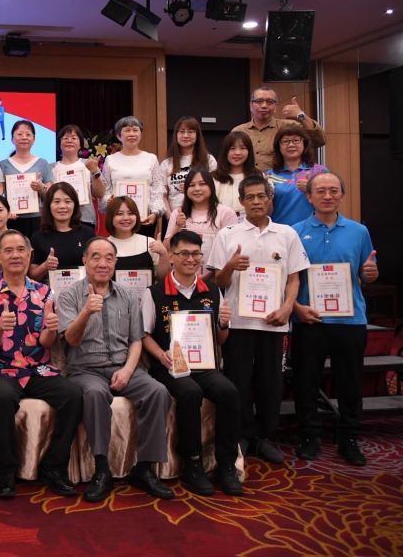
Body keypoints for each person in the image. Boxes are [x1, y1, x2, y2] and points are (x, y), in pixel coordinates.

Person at [57, 237, 173, 502]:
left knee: (158, 392)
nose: (103, 263)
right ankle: (102, 469)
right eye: (96, 257)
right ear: (85, 261)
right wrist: (86, 312)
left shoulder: (129, 296)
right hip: (85, 369)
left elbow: (136, 340)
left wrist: (128, 370)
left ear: (115, 263)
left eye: (109, 258)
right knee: (95, 394)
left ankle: (144, 468)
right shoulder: (68, 296)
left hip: (123, 366)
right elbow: (70, 340)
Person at [207, 174, 309, 464]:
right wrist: (230, 265)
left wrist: (288, 308)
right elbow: (218, 281)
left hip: (274, 322)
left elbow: (294, 278)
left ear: (270, 200)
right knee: (238, 380)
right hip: (238, 322)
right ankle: (242, 433)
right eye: (249, 197)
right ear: (241, 201)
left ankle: (264, 436)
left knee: (271, 382)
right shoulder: (228, 235)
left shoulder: (287, 234)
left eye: (261, 196)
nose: (256, 201)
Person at [0, 229, 81, 498]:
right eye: (8, 250)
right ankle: (4, 470)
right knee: (2, 397)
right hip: (0, 367)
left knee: (73, 395)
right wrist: (0, 327)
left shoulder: (44, 292)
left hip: (36, 368)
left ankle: (54, 466)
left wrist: (50, 329)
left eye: (21, 250)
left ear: (30, 255)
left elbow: (45, 342)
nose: (15, 255)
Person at [141, 230, 243, 496]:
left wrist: (223, 324)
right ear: (171, 257)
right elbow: (144, 335)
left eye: (196, 254)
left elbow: (220, 339)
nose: (191, 259)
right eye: (184, 253)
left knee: (229, 392)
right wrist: (160, 354)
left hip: (204, 365)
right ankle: (192, 464)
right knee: (189, 392)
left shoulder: (212, 291)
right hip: (168, 367)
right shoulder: (154, 293)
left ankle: (226, 464)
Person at [291, 172, 378, 466]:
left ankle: (349, 438)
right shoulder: (295, 232)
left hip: (350, 320)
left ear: (341, 194)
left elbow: (367, 271)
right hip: (309, 319)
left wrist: (370, 274)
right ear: (309, 197)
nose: (327, 196)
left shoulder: (359, 231)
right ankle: (309, 436)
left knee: (350, 382)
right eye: (320, 191)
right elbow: (288, 279)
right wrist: (296, 308)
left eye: (333, 190)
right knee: (306, 381)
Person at [100, 116, 164, 237]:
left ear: (140, 134)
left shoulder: (151, 158)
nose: (132, 134)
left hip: (145, 219)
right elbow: (105, 189)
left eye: (135, 130)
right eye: (127, 130)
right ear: (119, 135)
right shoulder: (110, 159)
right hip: (119, 219)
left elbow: (157, 189)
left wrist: (155, 213)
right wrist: (108, 200)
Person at [231, 88, 325, 172]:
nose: (264, 105)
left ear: (275, 107)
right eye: (259, 101)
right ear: (251, 105)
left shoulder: (289, 126)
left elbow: (319, 141)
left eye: (269, 102)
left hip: (280, 181)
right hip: (246, 182)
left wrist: (301, 115)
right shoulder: (239, 131)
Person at [162, 168, 239, 261]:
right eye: (192, 185)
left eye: (202, 184)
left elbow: (232, 249)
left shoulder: (226, 213)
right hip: (185, 268)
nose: (197, 189)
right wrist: (177, 227)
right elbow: (166, 249)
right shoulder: (178, 213)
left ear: (211, 187)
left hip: (217, 268)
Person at [30, 182, 96, 281]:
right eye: (56, 202)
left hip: (83, 289)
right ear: (49, 205)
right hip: (50, 290)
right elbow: (32, 277)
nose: (62, 206)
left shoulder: (87, 233)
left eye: (67, 201)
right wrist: (45, 266)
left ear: (75, 205)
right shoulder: (38, 237)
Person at [0, 120, 53, 238]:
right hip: (12, 218)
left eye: (28, 134)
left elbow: (51, 195)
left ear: (34, 139)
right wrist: (4, 211)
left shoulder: (43, 163)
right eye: (19, 134)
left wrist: (41, 188)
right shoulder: (3, 164)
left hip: (37, 218)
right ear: (12, 139)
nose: (24, 137)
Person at [266, 126, 329, 227]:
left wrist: (311, 189)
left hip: (313, 229)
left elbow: (330, 202)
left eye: (296, 140)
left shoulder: (320, 171)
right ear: (278, 146)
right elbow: (265, 211)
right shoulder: (269, 175)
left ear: (304, 143)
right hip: (281, 230)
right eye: (285, 141)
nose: (291, 144)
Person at [50, 124, 105, 230]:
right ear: (59, 143)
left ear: (80, 144)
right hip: (58, 221)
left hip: (84, 219)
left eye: (74, 138)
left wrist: (94, 171)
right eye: (65, 138)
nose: (69, 141)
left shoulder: (89, 164)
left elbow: (100, 193)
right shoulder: (50, 168)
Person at [106, 195, 171, 284]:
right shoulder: (104, 245)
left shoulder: (149, 242)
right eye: (120, 214)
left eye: (130, 213)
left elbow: (163, 277)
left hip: (146, 293)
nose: (126, 218)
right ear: (110, 217)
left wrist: (163, 254)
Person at [160, 116, 217, 215]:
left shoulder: (209, 160)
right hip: (175, 216)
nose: (186, 135)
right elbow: (162, 195)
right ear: (176, 135)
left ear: (197, 135)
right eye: (182, 132)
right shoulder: (166, 164)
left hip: (204, 216)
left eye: (190, 132)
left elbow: (215, 188)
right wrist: (170, 217)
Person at [212, 131, 256, 218]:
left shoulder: (257, 176)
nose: (237, 153)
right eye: (232, 148)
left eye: (243, 148)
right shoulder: (213, 178)